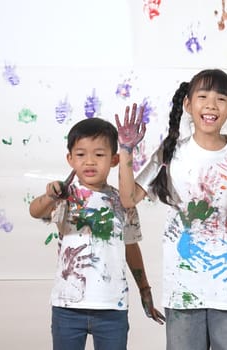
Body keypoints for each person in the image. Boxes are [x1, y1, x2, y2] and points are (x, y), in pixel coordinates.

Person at [115, 69, 227, 350]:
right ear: (188, 104)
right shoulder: (172, 151)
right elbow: (128, 198)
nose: (211, 105)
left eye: (220, 99)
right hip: (183, 289)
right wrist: (125, 150)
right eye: (203, 96)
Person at [29, 117, 165, 350]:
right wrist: (52, 195)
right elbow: (35, 210)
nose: (90, 161)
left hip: (112, 307)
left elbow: (131, 247)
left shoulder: (124, 201)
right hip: (67, 307)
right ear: (70, 159)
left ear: (114, 160)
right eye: (81, 154)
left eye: (99, 155)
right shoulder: (65, 196)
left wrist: (145, 289)